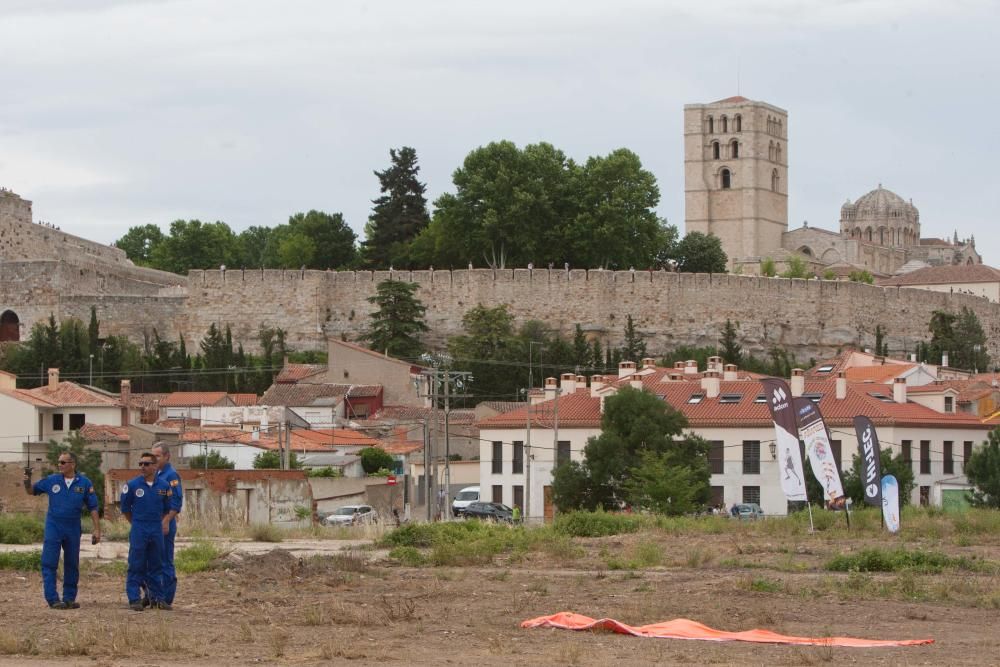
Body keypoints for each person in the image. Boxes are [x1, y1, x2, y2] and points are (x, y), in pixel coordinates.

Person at [23, 451, 101, 609]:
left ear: (73, 464)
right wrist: (27, 482)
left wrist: (96, 529)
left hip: (73, 527)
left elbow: (93, 507)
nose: (60, 465)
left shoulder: (84, 483)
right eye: (59, 462)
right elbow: (32, 491)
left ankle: (69, 598)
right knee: (49, 562)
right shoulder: (52, 480)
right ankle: (53, 599)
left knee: (72, 563)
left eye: (63, 462)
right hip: (54, 526)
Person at [120, 452, 172, 611]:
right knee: (136, 564)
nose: (143, 466)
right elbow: (125, 509)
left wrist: (159, 523)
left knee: (157, 564)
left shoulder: (164, 486)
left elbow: (166, 509)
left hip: (156, 528)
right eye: (140, 464)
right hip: (139, 527)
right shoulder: (132, 485)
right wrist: (136, 523)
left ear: (155, 466)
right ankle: (134, 598)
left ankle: (157, 598)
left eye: (147, 464)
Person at [150, 442, 183, 607]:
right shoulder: (153, 474)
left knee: (165, 561)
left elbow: (176, 503)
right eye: (152, 455)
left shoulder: (171, 475)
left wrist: (166, 521)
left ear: (166, 456)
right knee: (150, 561)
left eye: (157, 456)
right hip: (151, 524)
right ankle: (153, 595)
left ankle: (166, 598)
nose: (153, 459)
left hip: (164, 524)